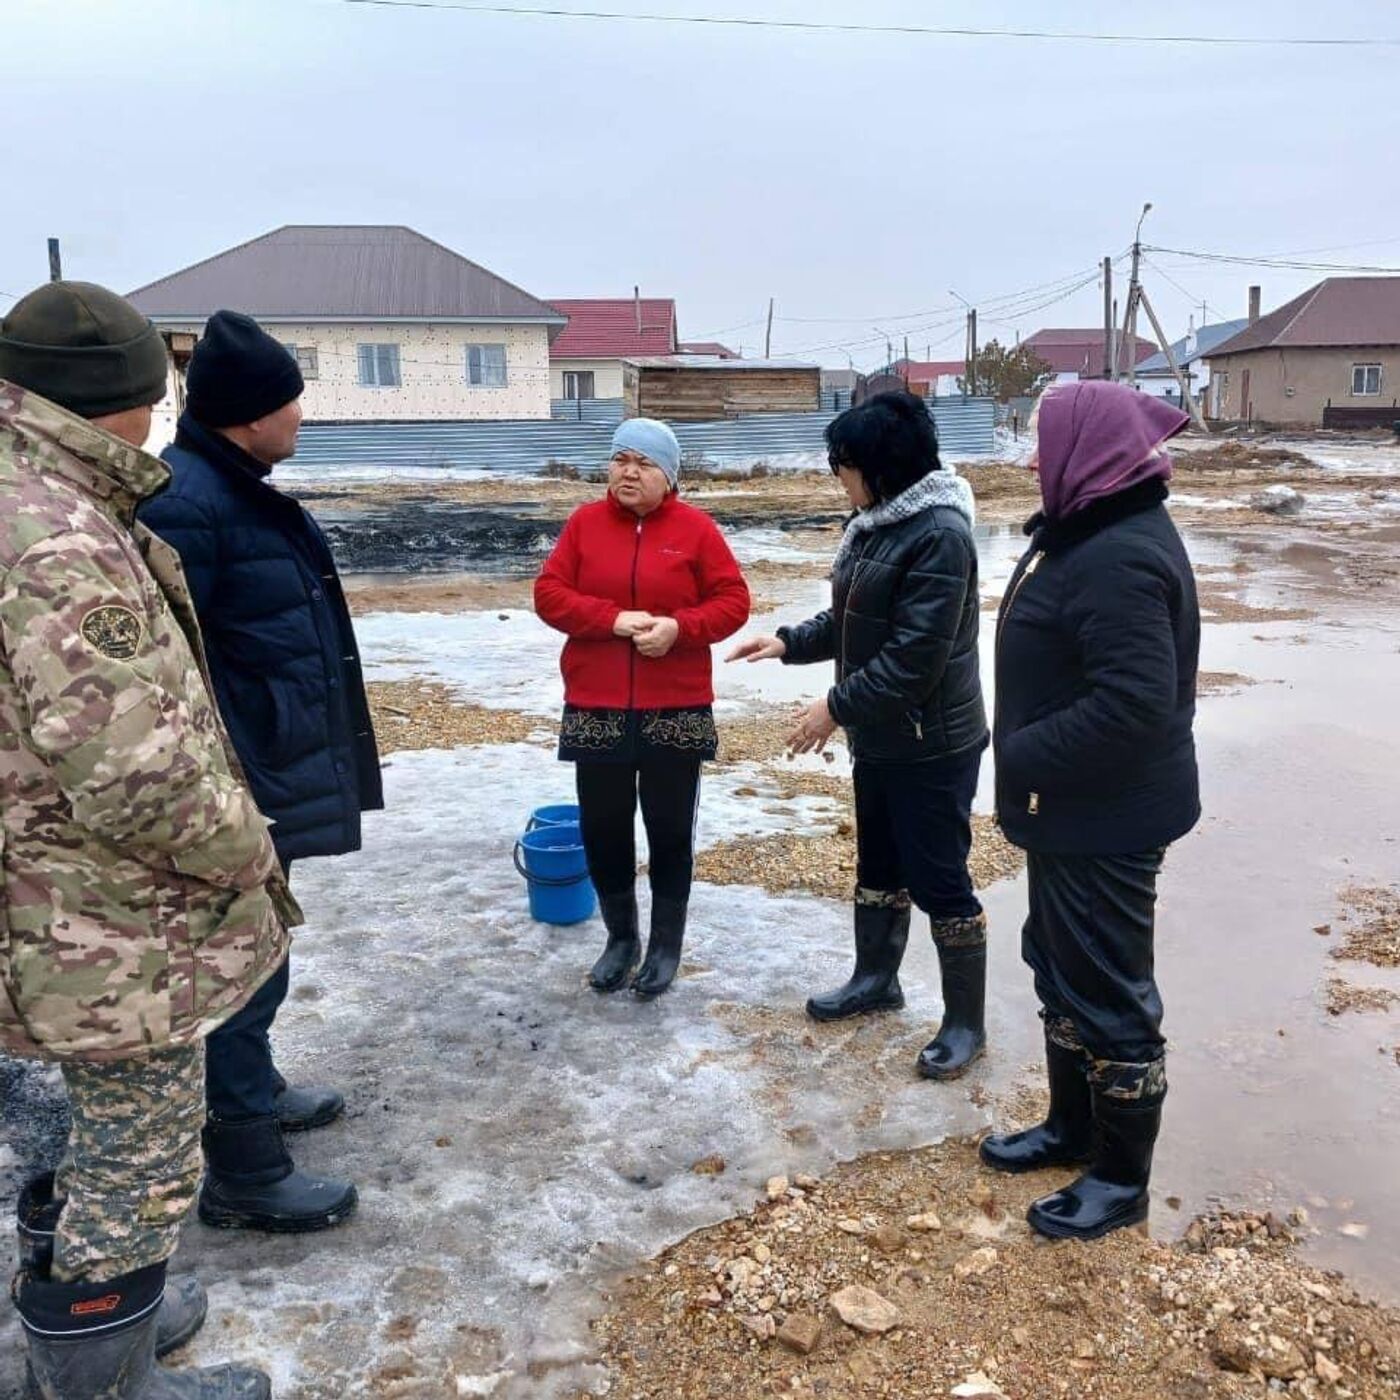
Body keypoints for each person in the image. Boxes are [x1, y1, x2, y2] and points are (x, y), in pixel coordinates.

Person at [1, 281, 288, 1395]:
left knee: (76, 1131)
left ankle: (96, 1328)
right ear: (121, 400)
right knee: (136, 1150)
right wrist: (244, 846)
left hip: (51, 899)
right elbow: (135, 771)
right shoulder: (59, 538)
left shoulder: (34, 494)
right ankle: (106, 1380)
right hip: (98, 919)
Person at [138, 311, 379, 1234]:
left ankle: (254, 1088)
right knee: (237, 964)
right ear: (248, 415)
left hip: (270, 764)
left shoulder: (234, 483)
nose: (301, 417)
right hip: (239, 779)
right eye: (292, 401)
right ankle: (242, 1166)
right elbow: (177, 671)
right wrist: (230, 781)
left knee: (262, 952)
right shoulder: (187, 503)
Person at [979, 380, 1200, 1241]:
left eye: (1045, 442)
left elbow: (1137, 705)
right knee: (1060, 965)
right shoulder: (1091, 530)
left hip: (1108, 817)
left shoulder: (1118, 555)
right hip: (1071, 811)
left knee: (1110, 989)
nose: (1034, 459)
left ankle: (1121, 1177)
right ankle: (1073, 1129)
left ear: (1088, 453)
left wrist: (1018, 751)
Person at [728, 391, 989, 1078]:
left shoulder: (940, 535)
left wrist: (834, 708)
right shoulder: (876, 522)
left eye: (844, 465)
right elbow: (854, 620)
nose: (838, 477)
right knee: (878, 865)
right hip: (882, 737)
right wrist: (787, 642)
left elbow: (913, 658)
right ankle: (877, 980)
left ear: (884, 464)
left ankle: (966, 1022)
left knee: (940, 878)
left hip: (933, 742)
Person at [534, 418, 750, 998]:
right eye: (620, 459)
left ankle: (664, 946)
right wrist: (609, 619)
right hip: (596, 702)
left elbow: (733, 601)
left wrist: (680, 629)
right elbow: (549, 594)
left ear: (669, 476)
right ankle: (621, 939)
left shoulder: (696, 530)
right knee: (603, 827)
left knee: (669, 829)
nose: (629, 472)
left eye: (644, 463)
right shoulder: (584, 525)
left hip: (674, 705)